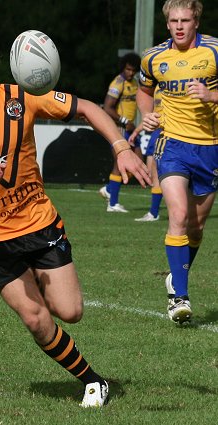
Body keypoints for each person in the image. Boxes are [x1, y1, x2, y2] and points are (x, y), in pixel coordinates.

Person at [0, 26, 151, 407]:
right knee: (35, 318)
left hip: (40, 225)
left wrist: (120, 147)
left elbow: (88, 108)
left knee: (71, 312)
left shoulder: (22, 97)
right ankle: (93, 380)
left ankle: (45, 288)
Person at [137, 0, 218, 324]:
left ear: (196, 21)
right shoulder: (154, 57)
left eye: (186, 20)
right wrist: (147, 114)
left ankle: (176, 276)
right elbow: (144, 90)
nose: (180, 26)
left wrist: (212, 96)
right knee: (179, 216)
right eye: (174, 21)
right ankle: (178, 298)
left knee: (196, 227)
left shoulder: (213, 51)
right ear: (167, 23)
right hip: (171, 145)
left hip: (210, 148)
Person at [99, 52, 142, 213]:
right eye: (128, 69)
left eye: (133, 70)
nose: (130, 72)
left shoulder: (135, 83)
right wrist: (124, 121)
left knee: (138, 164)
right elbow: (107, 107)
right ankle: (113, 204)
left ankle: (110, 189)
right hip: (119, 129)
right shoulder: (118, 83)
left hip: (131, 130)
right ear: (123, 67)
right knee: (119, 164)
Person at [130, 86, 163, 222]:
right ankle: (154, 212)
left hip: (166, 132)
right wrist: (137, 131)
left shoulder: (174, 85)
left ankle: (153, 213)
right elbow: (152, 115)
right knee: (151, 173)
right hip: (155, 133)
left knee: (155, 174)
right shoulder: (155, 87)